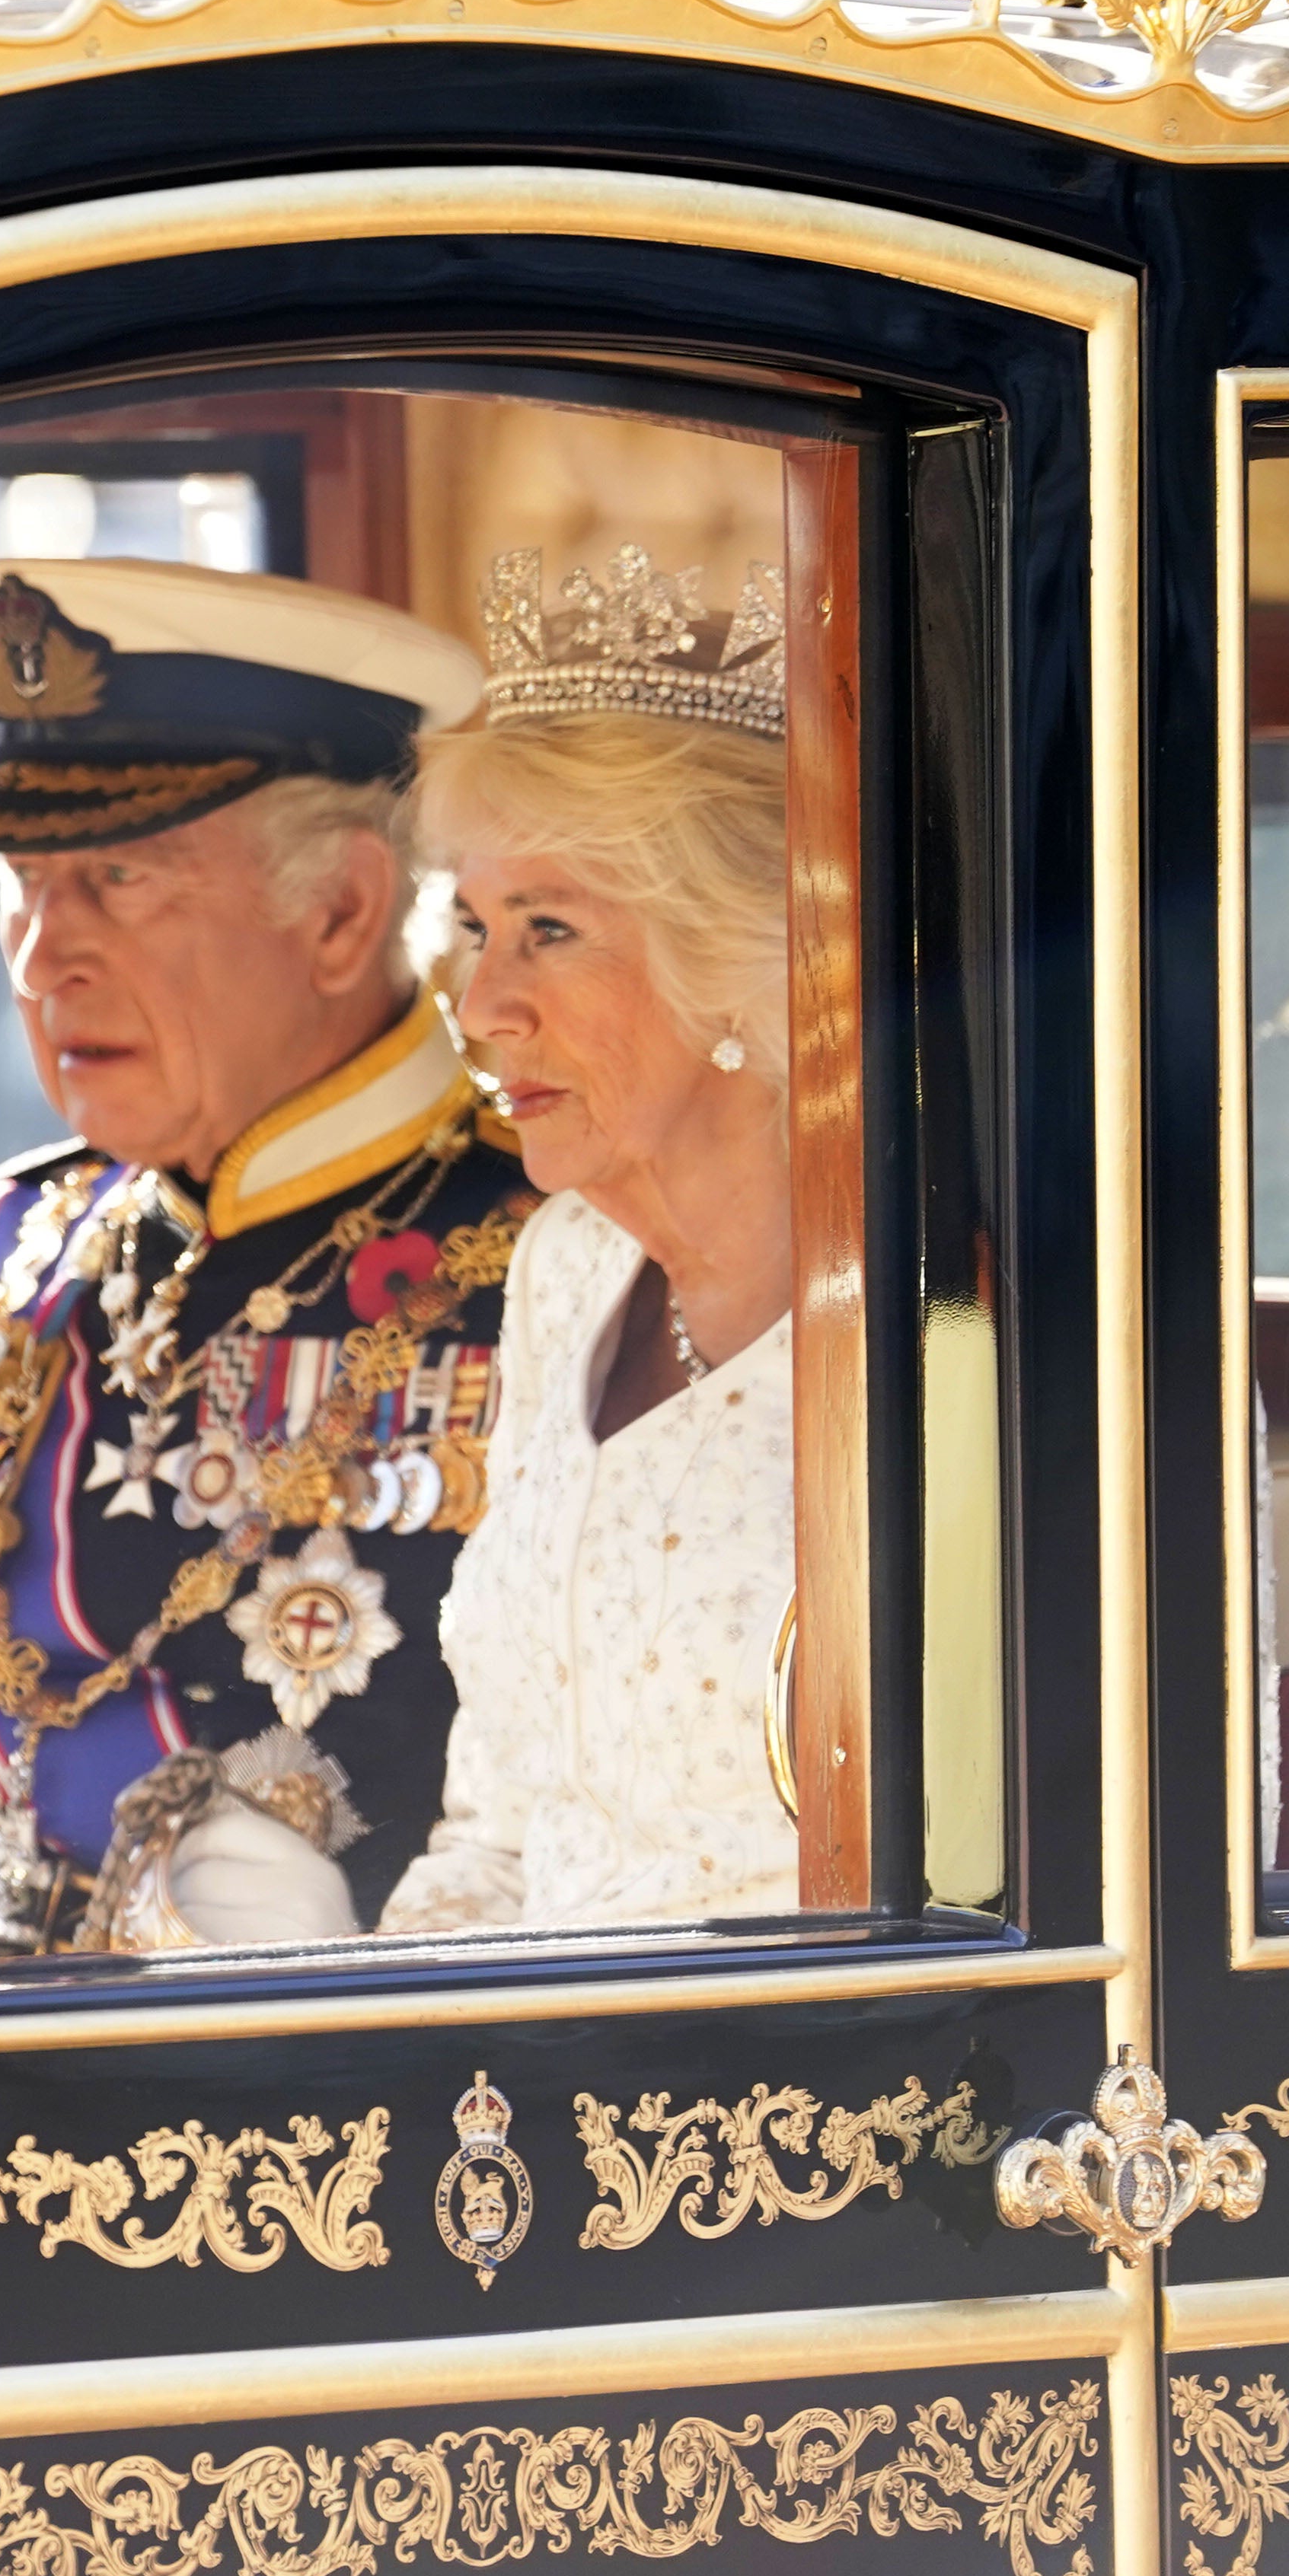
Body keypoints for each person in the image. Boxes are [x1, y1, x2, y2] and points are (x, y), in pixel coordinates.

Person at [0, 556, 538, 1961]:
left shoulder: (551, 1257)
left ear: (345, 913)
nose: (46, 958)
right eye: (21, 886)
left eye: (118, 879)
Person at [381, 547, 804, 1934]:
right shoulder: (566, 1271)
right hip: (526, 2084)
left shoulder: (977, 1322)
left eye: (550, 930)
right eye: (477, 928)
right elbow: (500, 1830)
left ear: (739, 957)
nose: (483, 1003)